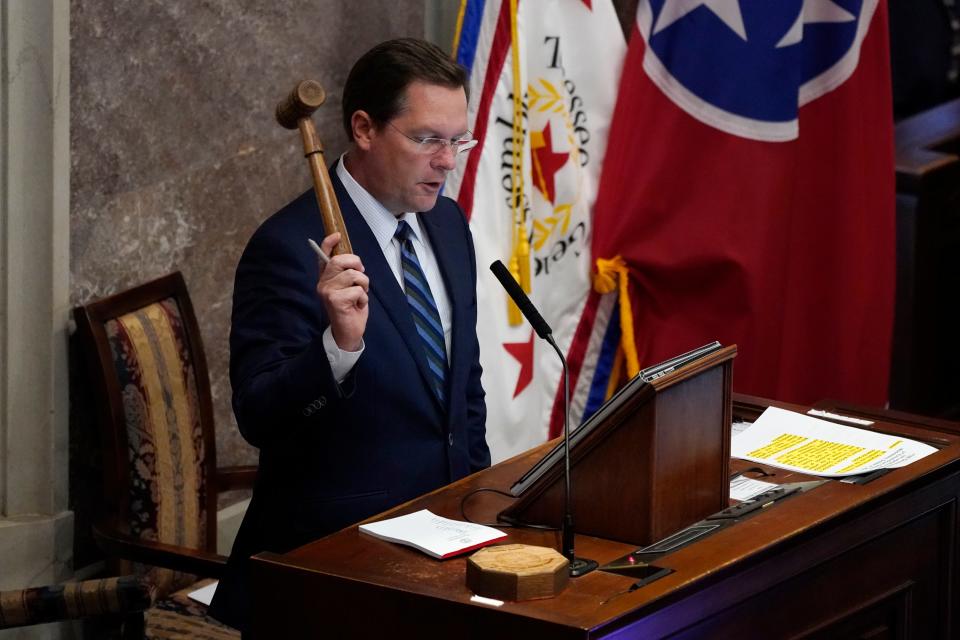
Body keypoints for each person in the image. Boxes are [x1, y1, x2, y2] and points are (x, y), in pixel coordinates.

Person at [209, 38, 490, 633]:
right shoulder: (286, 248)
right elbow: (259, 416)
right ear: (364, 128)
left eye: (457, 139)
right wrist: (337, 349)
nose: (448, 161)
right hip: (331, 577)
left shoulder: (447, 222)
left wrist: (484, 511)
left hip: (444, 559)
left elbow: (463, 388)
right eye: (427, 140)